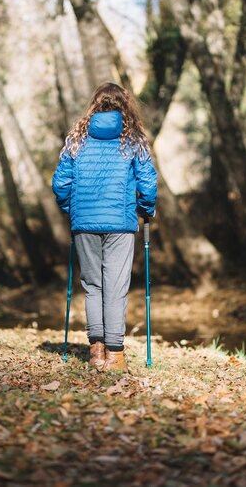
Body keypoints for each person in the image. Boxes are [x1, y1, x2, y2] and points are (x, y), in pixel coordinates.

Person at [52, 82, 157, 372]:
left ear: (94, 105)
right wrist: (147, 210)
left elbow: (60, 184)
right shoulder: (133, 140)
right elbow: (148, 183)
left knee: (93, 285)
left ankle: (96, 352)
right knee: (115, 287)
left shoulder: (77, 139)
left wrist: (73, 211)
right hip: (121, 225)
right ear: (125, 106)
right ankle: (115, 355)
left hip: (84, 223)